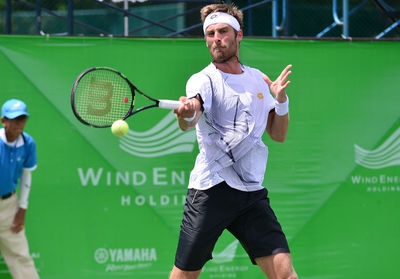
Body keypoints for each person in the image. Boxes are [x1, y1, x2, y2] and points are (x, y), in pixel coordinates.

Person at [171, 3, 297, 279]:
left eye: (223, 31)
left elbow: (278, 134)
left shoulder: (257, 80)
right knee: (184, 276)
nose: (216, 38)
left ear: (238, 35)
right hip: (210, 190)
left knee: (285, 274)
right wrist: (187, 113)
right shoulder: (202, 80)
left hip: (251, 192)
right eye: (210, 33)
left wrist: (281, 101)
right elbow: (191, 118)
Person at [0, 99, 40, 279]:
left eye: (22, 118)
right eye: (15, 119)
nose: (19, 123)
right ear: (4, 121)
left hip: (8, 206)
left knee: (20, 257)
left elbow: (26, 175)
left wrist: (22, 208)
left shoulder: (28, 143)